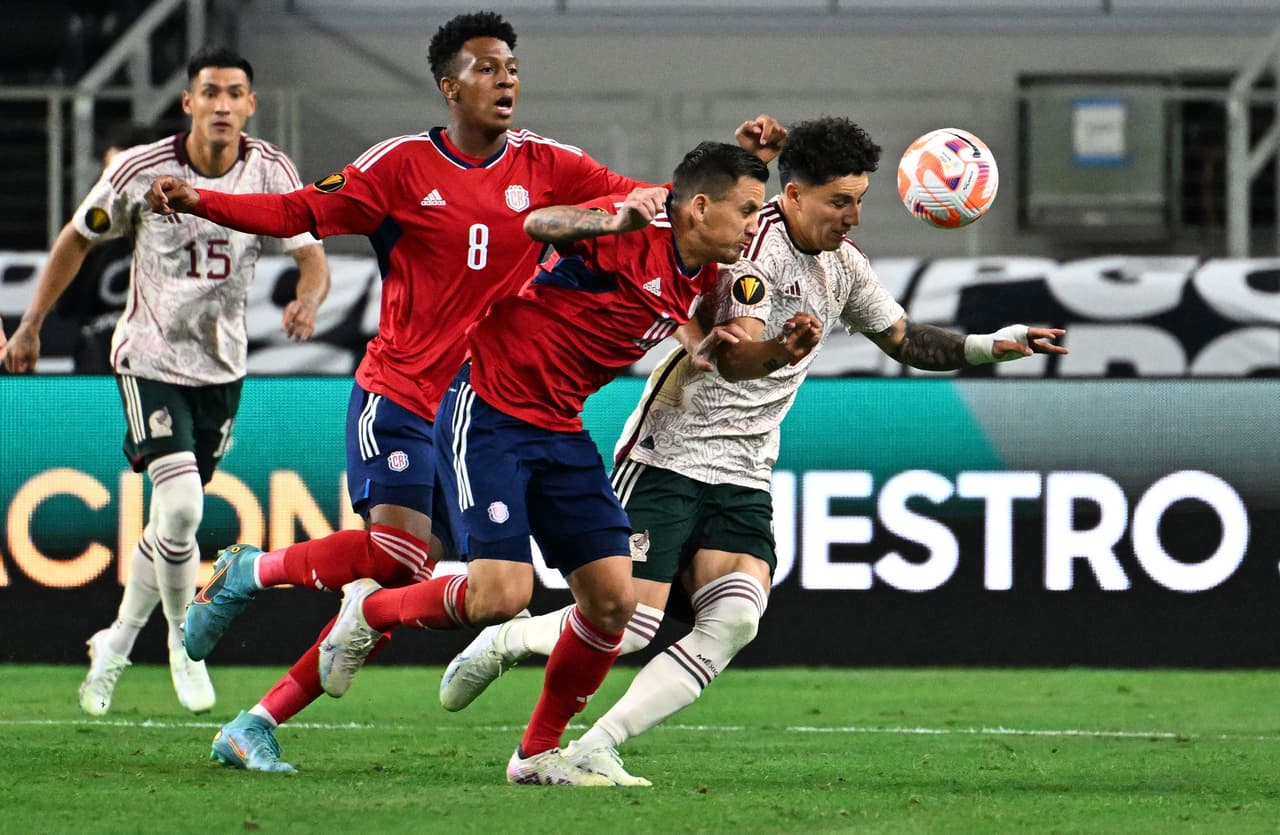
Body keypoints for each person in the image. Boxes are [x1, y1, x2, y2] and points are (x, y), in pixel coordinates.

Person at [144, 11, 785, 773]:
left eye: (512, 66)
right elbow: (297, 212)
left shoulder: (548, 160)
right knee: (404, 559)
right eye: (487, 68)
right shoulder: (401, 167)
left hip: (500, 400)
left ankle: (258, 718)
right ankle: (255, 574)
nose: (507, 78)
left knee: (469, 584)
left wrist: (736, 165)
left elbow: (662, 202)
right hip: (409, 389)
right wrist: (198, 199)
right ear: (450, 86)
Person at [433, 116, 1069, 786]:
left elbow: (906, 340)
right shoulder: (741, 246)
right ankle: (510, 637)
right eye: (838, 200)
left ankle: (600, 742)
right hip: (669, 454)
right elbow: (731, 356)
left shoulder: (843, 268)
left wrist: (993, 343)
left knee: (736, 618)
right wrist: (781, 349)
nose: (852, 216)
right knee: (630, 620)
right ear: (791, 195)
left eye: (859, 200)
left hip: (744, 470)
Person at [313, 141, 782, 786]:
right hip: (488, 408)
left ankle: (536, 755)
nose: (758, 224)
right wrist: (611, 220)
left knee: (614, 606)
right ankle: (369, 613)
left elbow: (699, 335)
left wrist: (736, 347)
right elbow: (538, 223)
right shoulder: (634, 224)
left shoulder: (706, 275)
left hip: (561, 428)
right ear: (700, 207)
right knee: (502, 597)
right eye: (750, 210)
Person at [0, 47, 330, 716]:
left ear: (250, 106)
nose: (221, 104)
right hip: (149, 359)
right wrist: (30, 324)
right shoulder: (139, 171)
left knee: (170, 521)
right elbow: (76, 237)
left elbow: (312, 253)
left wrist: (310, 297)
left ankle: (117, 640)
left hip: (223, 369)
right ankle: (185, 641)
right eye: (209, 92)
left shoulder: (271, 170)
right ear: (188, 103)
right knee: (181, 508)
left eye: (235, 93)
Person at [55, 124, 159, 374]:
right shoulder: (88, 240)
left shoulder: (182, 236)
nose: (116, 186)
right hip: (98, 375)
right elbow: (66, 307)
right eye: (109, 175)